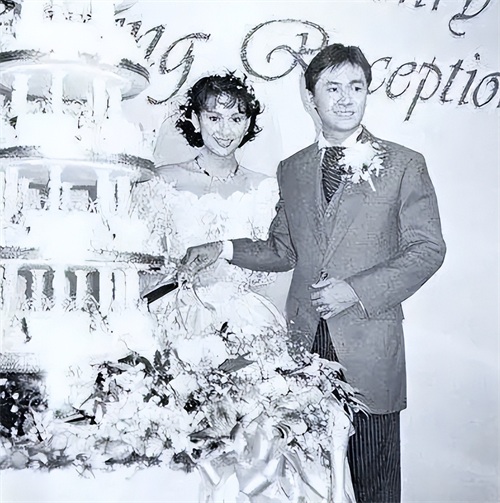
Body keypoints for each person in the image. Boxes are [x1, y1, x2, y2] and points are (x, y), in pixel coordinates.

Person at [181, 45, 447, 503]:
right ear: (311, 98)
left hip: (370, 348)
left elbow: (428, 249)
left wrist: (354, 291)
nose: (346, 99)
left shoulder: (404, 163)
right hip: (303, 349)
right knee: (313, 481)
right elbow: (282, 249)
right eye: (333, 88)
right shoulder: (293, 169)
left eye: (356, 88)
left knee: (373, 484)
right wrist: (222, 248)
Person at [132, 72, 358, 502]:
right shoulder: (160, 182)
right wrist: (175, 279)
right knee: (181, 433)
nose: (225, 129)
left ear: (249, 122)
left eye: (236, 118)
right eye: (213, 117)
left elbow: (277, 258)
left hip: (246, 321)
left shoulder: (267, 188)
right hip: (176, 319)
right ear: (195, 119)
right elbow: (142, 262)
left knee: (263, 428)